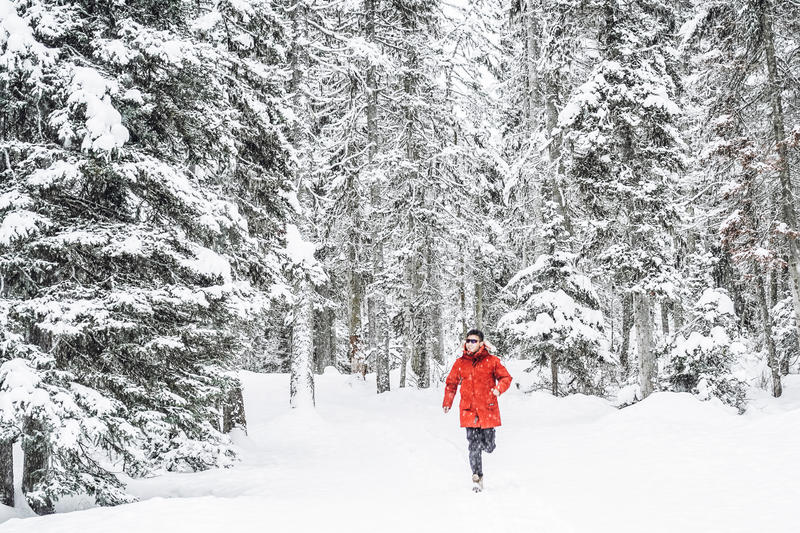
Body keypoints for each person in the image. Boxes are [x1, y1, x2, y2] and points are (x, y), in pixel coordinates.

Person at [442, 328, 512, 492]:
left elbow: (506, 377)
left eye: (474, 341)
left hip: (487, 409)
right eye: (468, 341)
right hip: (469, 411)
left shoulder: (492, 361)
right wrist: (448, 402)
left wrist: (498, 389)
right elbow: (451, 383)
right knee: (473, 445)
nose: (470, 344)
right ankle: (477, 477)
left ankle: (488, 443)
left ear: (481, 343)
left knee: (488, 446)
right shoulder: (460, 363)